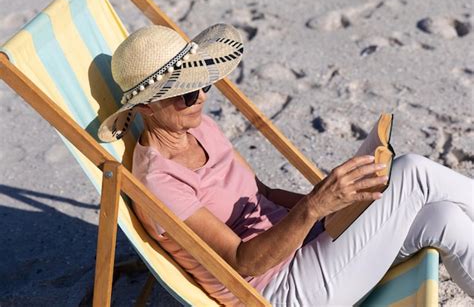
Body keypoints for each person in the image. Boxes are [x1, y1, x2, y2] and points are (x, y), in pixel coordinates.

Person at [98, 24, 473, 306]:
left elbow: (262, 193)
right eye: (184, 92)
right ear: (145, 106)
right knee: (411, 172)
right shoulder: (160, 183)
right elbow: (242, 263)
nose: (200, 97)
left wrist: (338, 208)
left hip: (309, 247)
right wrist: (315, 207)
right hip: (281, 290)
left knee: (442, 218)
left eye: (202, 83)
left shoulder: (199, 126)